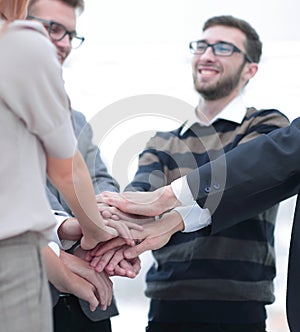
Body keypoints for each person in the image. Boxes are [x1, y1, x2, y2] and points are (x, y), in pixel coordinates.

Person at [96, 15, 290, 332]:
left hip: (240, 310)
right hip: (166, 306)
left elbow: (240, 181)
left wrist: (167, 206)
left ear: (250, 69)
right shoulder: (164, 141)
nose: (207, 54)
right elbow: (142, 197)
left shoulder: (267, 127)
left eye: (223, 48)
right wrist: (117, 226)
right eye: (202, 45)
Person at [0, 1, 137, 331]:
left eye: (70, 34)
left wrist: (100, 218)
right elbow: (67, 172)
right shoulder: (20, 42)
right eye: (53, 28)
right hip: (20, 270)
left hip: (88, 301)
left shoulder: (77, 120)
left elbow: (97, 177)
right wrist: (93, 231)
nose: (62, 42)